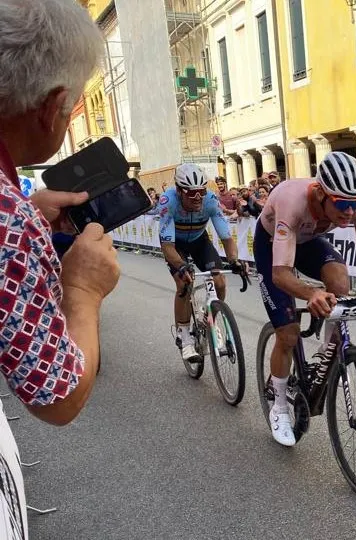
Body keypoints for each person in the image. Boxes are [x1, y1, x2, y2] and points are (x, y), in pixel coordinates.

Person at [0, 1, 122, 538]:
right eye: (74, 109)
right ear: (52, 107)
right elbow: (59, 395)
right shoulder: (9, 220)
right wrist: (82, 289)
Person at [253, 151, 356, 446]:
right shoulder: (292, 200)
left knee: (340, 281)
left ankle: (326, 354)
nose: (349, 213)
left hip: (309, 239)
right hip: (272, 246)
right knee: (288, 335)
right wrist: (311, 293)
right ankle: (278, 405)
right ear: (319, 193)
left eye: (355, 204)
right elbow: (280, 275)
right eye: (342, 205)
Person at [156, 163, 246, 363]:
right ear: (179, 191)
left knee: (220, 281)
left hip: (199, 241)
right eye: (191, 193)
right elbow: (167, 247)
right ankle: (184, 335)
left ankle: (209, 319)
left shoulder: (211, 201)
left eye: (201, 191)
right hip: (175, 245)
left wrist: (234, 260)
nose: (198, 197)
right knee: (184, 283)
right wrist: (180, 266)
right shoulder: (167, 202)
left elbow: (227, 238)